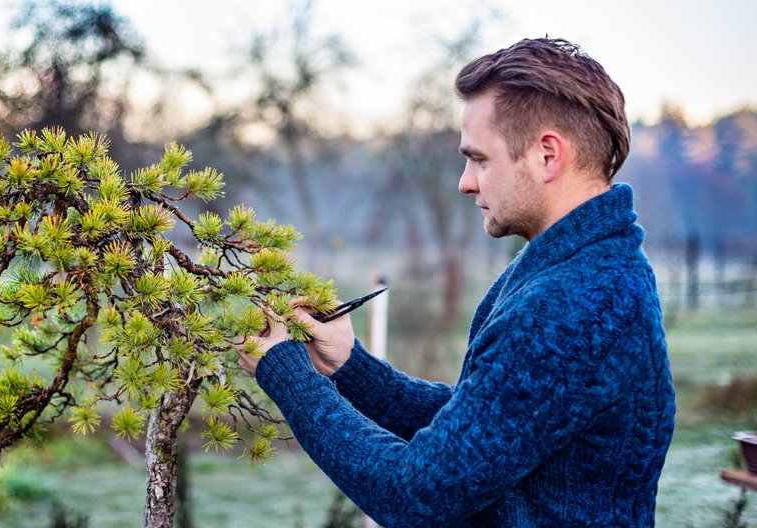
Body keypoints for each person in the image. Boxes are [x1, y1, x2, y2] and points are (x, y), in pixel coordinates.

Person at [236, 37, 676, 527]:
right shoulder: (582, 268)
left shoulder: (573, 303)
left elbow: (416, 494)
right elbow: (486, 426)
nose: (466, 181)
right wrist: (349, 367)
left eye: (480, 159)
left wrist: (287, 375)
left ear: (547, 155)